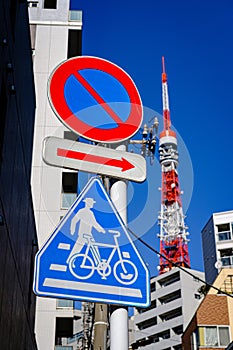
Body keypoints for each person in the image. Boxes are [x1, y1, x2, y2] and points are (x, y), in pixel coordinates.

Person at [66, 197, 105, 263]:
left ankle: (99, 263)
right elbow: (74, 220)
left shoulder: (90, 213)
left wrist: (101, 230)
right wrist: (72, 230)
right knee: (78, 248)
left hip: (88, 233)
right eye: (91, 203)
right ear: (88, 203)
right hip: (83, 234)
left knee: (94, 246)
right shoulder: (82, 211)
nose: (92, 204)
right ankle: (70, 261)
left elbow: (94, 223)